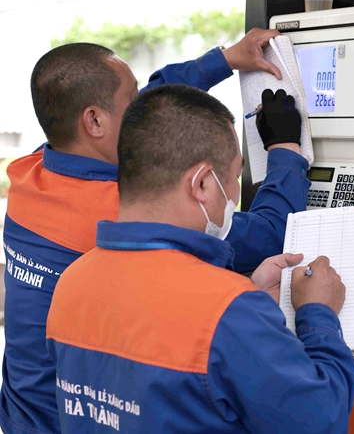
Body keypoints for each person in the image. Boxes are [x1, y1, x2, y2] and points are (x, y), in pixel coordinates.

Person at [1, 31, 310, 434]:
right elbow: (269, 233)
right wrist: (285, 149)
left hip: (21, 409)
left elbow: (149, 103)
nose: (143, 109)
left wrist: (225, 59)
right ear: (94, 120)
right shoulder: (121, 212)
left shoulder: (31, 171)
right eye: (132, 100)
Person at [46, 83, 354, 433]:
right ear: (203, 184)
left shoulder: (72, 282)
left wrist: (250, 294)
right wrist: (318, 313)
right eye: (235, 176)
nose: (235, 191)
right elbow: (322, 420)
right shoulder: (228, 312)